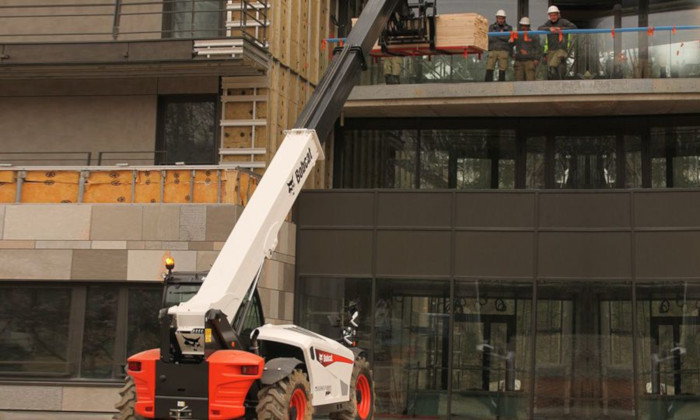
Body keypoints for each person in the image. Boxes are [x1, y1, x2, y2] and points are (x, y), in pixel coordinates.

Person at [538, 5, 576, 80]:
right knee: (552, 69)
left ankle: (561, 80)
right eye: (551, 15)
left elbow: (574, 27)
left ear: (558, 15)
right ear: (549, 16)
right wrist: (549, 29)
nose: (553, 17)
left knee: (555, 65)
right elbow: (539, 28)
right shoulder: (548, 23)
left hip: (561, 49)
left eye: (554, 15)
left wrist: (560, 29)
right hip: (551, 50)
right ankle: (557, 82)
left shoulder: (563, 21)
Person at [485, 9, 513, 82]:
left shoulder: (509, 27)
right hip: (493, 50)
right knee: (489, 67)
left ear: (504, 19)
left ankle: (501, 86)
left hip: (503, 50)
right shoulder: (491, 26)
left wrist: (496, 34)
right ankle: (487, 84)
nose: (500, 20)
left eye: (502, 18)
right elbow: (490, 37)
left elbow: (507, 37)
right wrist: (501, 34)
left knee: (502, 69)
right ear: (496, 18)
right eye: (499, 18)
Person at [513, 17, 541, 81]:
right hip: (519, 60)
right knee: (518, 81)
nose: (523, 27)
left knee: (530, 81)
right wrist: (512, 54)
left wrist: (536, 58)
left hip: (530, 61)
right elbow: (510, 44)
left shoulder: (533, 35)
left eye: (525, 26)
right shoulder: (517, 34)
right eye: (522, 26)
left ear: (528, 26)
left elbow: (538, 48)